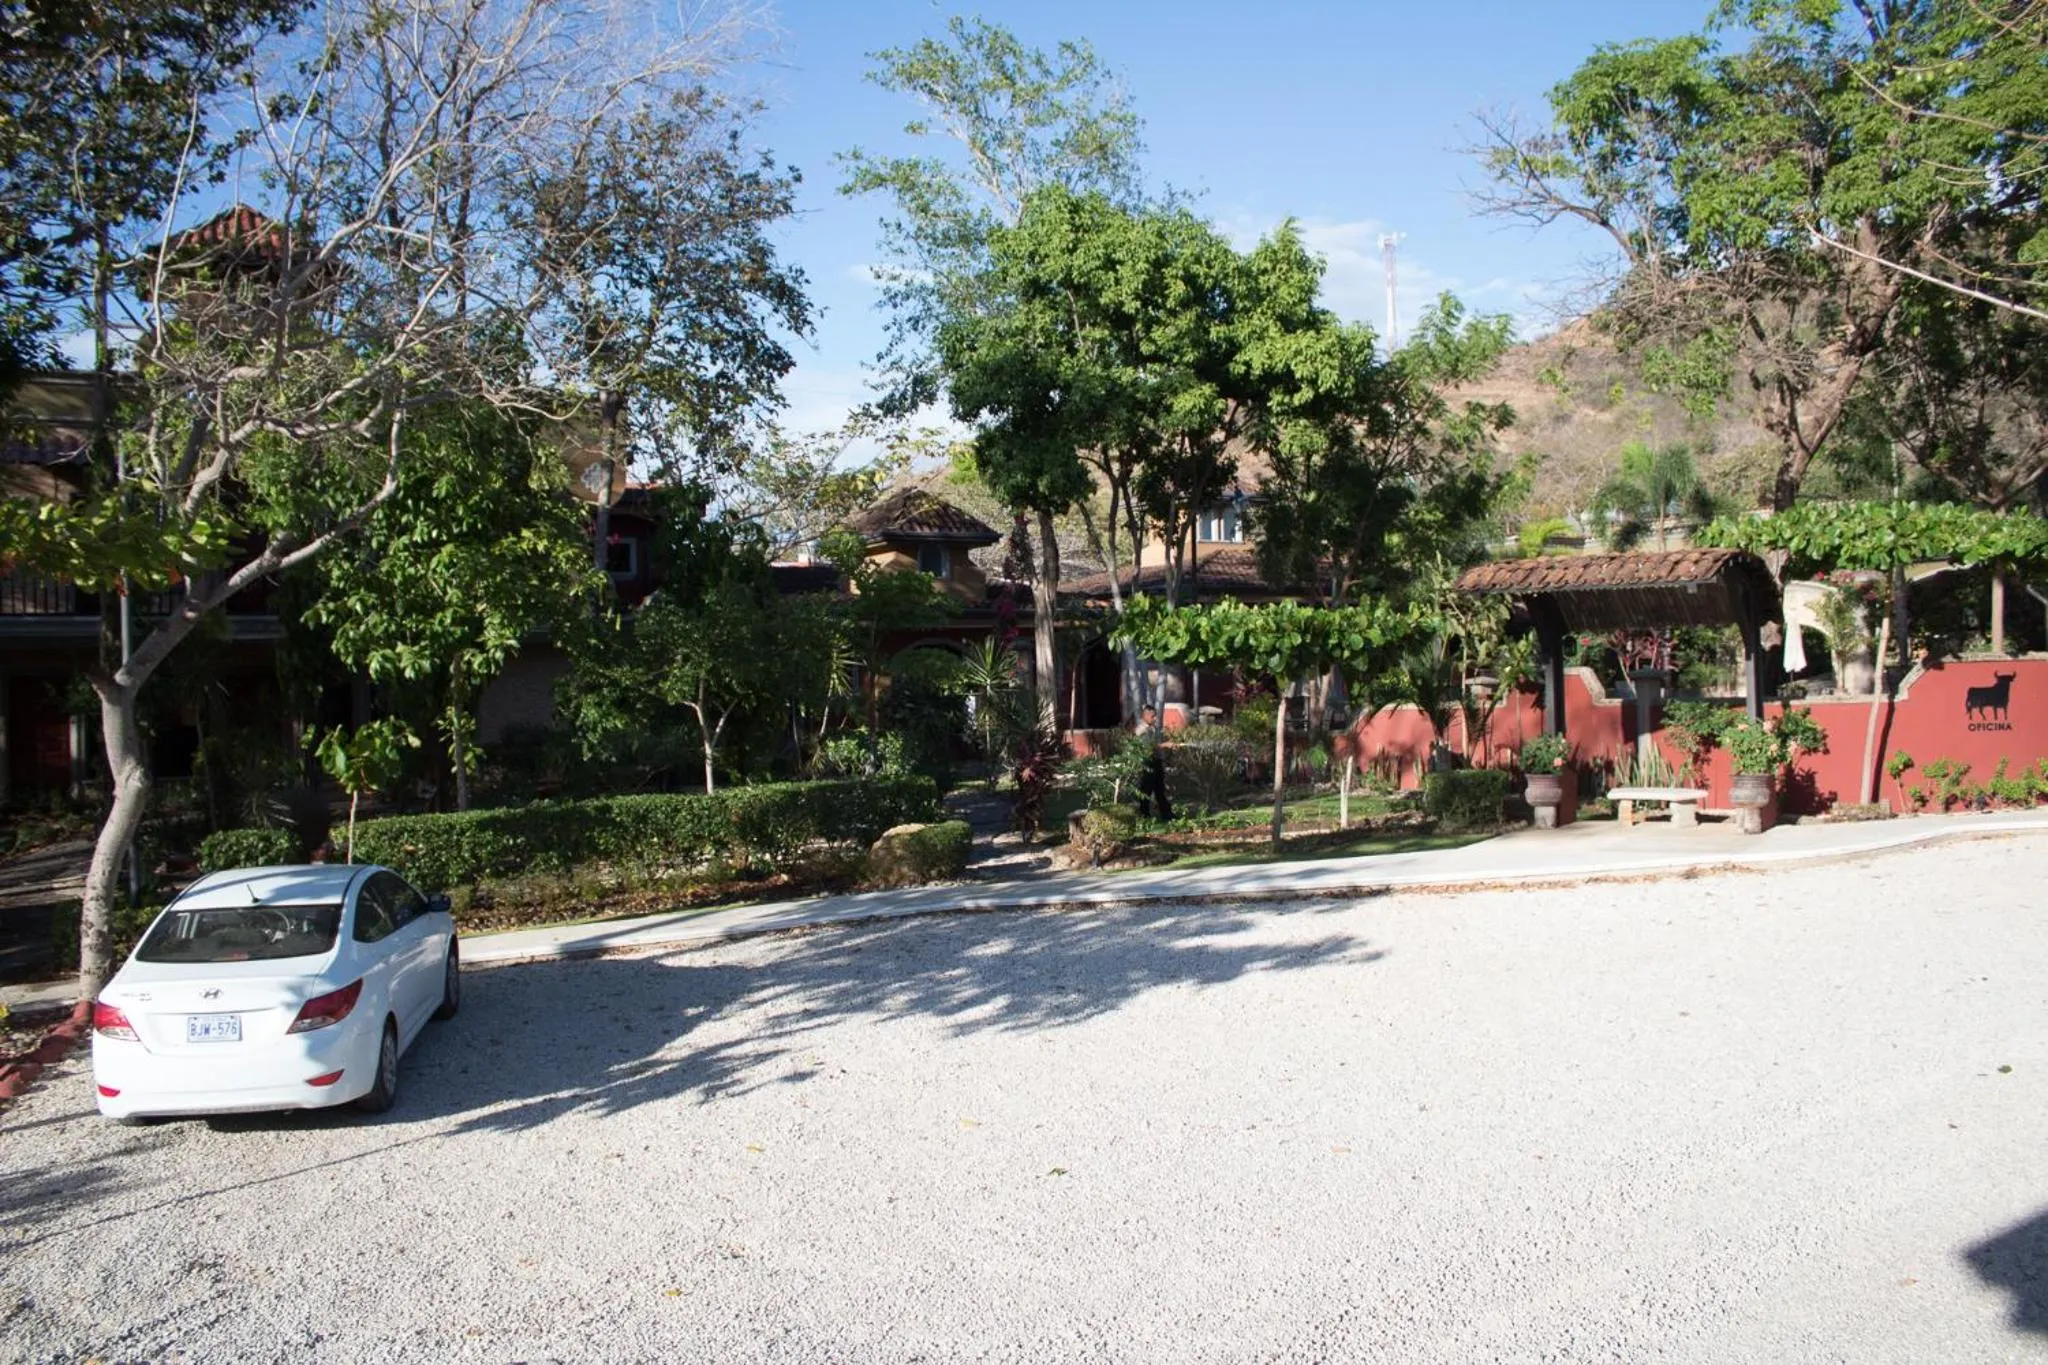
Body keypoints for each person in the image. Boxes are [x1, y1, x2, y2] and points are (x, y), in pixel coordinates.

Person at [1132, 705, 1173, 821]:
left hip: (1156, 762)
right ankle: (1144, 816)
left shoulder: (1153, 729)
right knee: (1146, 790)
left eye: (1155, 716)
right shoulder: (1141, 730)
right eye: (1152, 716)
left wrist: (1168, 746)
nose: (1155, 718)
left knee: (1160, 790)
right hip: (1147, 763)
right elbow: (1148, 747)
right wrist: (1165, 745)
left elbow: (1157, 744)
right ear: (1144, 716)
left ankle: (1167, 815)